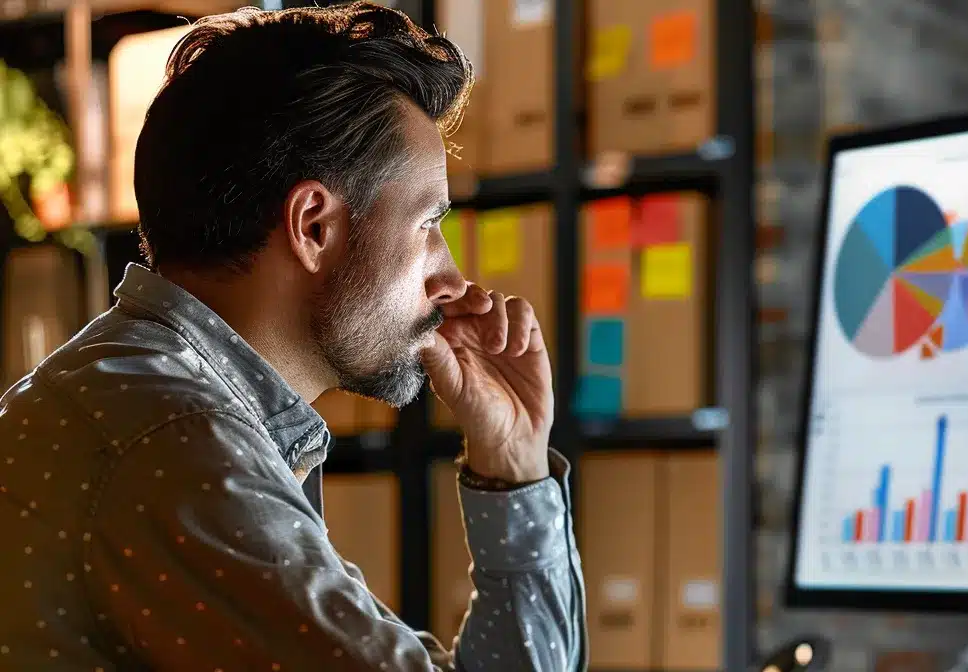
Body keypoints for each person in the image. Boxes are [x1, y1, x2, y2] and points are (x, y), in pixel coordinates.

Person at [0, 3, 584, 670]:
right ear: (312, 226)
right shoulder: (172, 439)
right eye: (427, 225)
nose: (450, 278)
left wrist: (511, 463)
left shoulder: (153, 407)